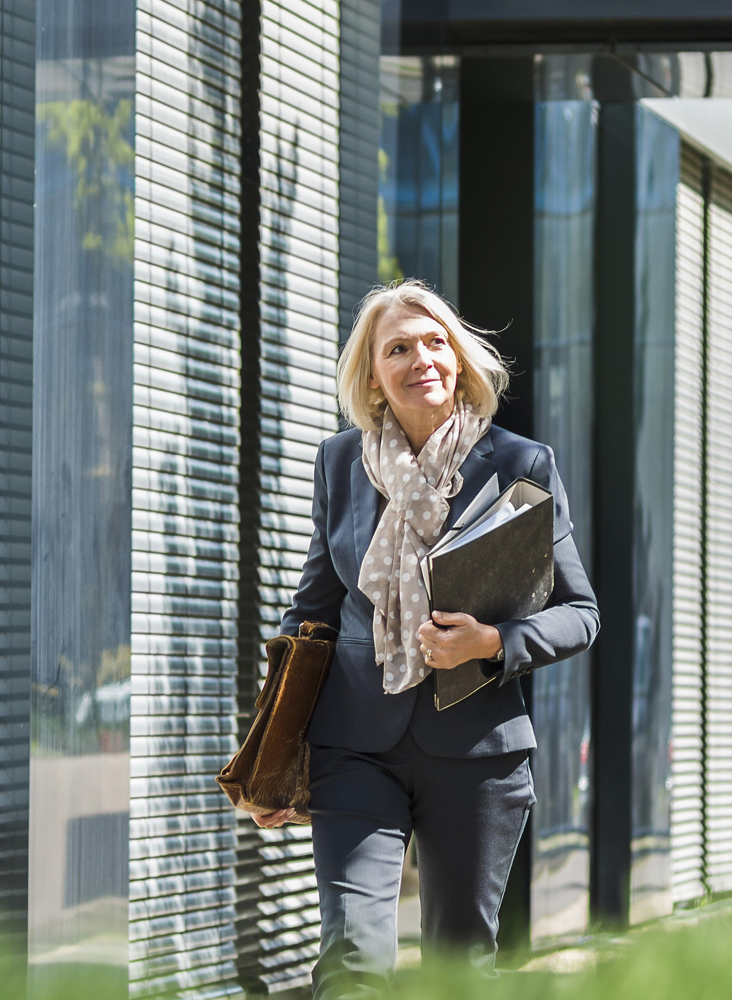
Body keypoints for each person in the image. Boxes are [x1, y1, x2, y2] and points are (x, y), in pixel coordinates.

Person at [258, 280, 600, 999]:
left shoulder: (520, 464)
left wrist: (491, 643)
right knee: (351, 957)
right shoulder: (341, 464)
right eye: (398, 348)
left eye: (435, 342)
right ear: (374, 374)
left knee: (457, 969)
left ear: (461, 358)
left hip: (478, 755)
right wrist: (274, 752)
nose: (422, 359)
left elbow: (580, 611)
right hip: (354, 744)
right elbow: (311, 613)